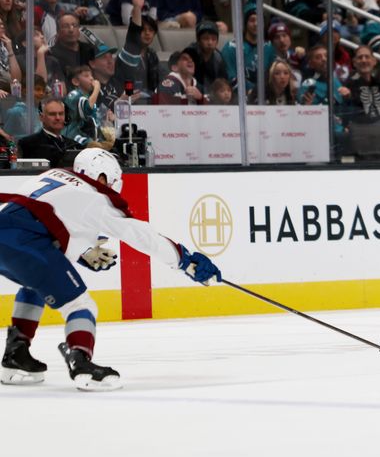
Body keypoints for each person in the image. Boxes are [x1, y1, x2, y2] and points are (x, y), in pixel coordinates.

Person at [0, 147, 221, 390]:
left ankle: (16, 355)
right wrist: (185, 261)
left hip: (9, 230)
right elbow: (141, 235)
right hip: (23, 241)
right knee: (81, 305)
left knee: (34, 284)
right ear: (103, 176)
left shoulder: (54, 176)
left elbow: (44, 219)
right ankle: (81, 362)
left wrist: (82, 252)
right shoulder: (96, 196)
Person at [16, 97, 80, 167]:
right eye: (52, 114)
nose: (58, 118)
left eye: (61, 114)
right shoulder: (27, 144)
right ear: (41, 117)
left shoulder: (74, 145)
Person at [63, 65, 112, 149]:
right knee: (94, 146)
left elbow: (93, 118)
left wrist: (106, 116)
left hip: (87, 134)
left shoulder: (88, 97)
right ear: (76, 82)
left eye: (91, 75)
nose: (91, 78)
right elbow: (88, 110)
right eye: (86, 76)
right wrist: (97, 89)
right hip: (73, 135)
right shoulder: (74, 95)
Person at [187, 20, 226, 92]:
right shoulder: (189, 56)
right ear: (198, 40)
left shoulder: (219, 58)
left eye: (213, 39)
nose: (210, 42)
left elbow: (223, 84)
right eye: (205, 38)